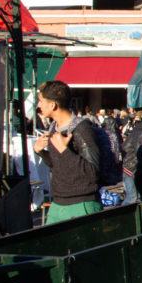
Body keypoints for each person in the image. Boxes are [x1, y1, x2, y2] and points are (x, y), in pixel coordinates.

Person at [33, 80, 104, 223]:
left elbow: (92, 171)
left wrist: (64, 150)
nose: (38, 105)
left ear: (53, 105)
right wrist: (41, 152)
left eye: (40, 101)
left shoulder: (82, 129)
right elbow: (60, 165)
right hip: (58, 204)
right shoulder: (54, 127)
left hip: (81, 205)